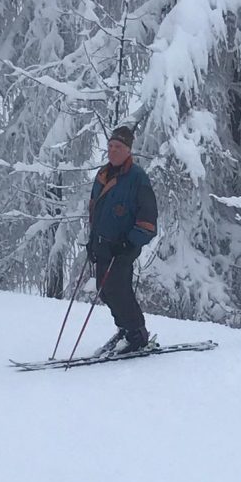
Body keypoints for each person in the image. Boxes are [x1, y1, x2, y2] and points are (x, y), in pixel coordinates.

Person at [86, 125, 158, 353]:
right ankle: (125, 329)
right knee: (104, 290)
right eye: (110, 146)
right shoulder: (102, 175)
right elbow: (94, 210)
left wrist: (129, 242)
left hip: (124, 247)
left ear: (128, 150)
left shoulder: (138, 178)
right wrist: (91, 240)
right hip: (103, 244)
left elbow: (148, 220)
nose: (112, 151)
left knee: (118, 289)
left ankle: (137, 334)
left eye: (118, 147)